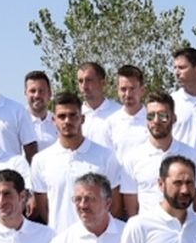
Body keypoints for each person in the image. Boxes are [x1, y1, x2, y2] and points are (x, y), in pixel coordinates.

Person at [30, 92, 129, 232]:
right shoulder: (40, 160)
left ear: (82, 119)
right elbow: (44, 208)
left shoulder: (106, 156)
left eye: (72, 115)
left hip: (98, 242)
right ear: (54, 121)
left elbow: (115, 205)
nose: (67, 121)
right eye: (62, 116)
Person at [120, 92, 196, 218]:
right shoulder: (132, 158)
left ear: (174, 118)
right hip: (148, 234)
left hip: (184, 232)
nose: (156, 121)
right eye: (151, 116)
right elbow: (132, 210)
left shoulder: (193, 156)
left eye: (163, 116)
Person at [77, 61, 121, 149]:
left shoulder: (119, 113)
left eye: (89, 80)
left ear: (102, 83)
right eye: (80, 81)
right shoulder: (74, 115)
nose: (84, 86)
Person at [109, 65, 151, 150]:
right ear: (118, 91)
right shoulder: (111, 123)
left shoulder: (154, 120)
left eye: (132, 89)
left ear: (142, 90)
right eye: (123, 89)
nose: (128, 94)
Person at [24, 70, 59, 152]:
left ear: (50, 94)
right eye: (32, 91)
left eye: (41, 91)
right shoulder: (17, 122)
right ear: (25, 93)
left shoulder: (59, 122)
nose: (37, 95)